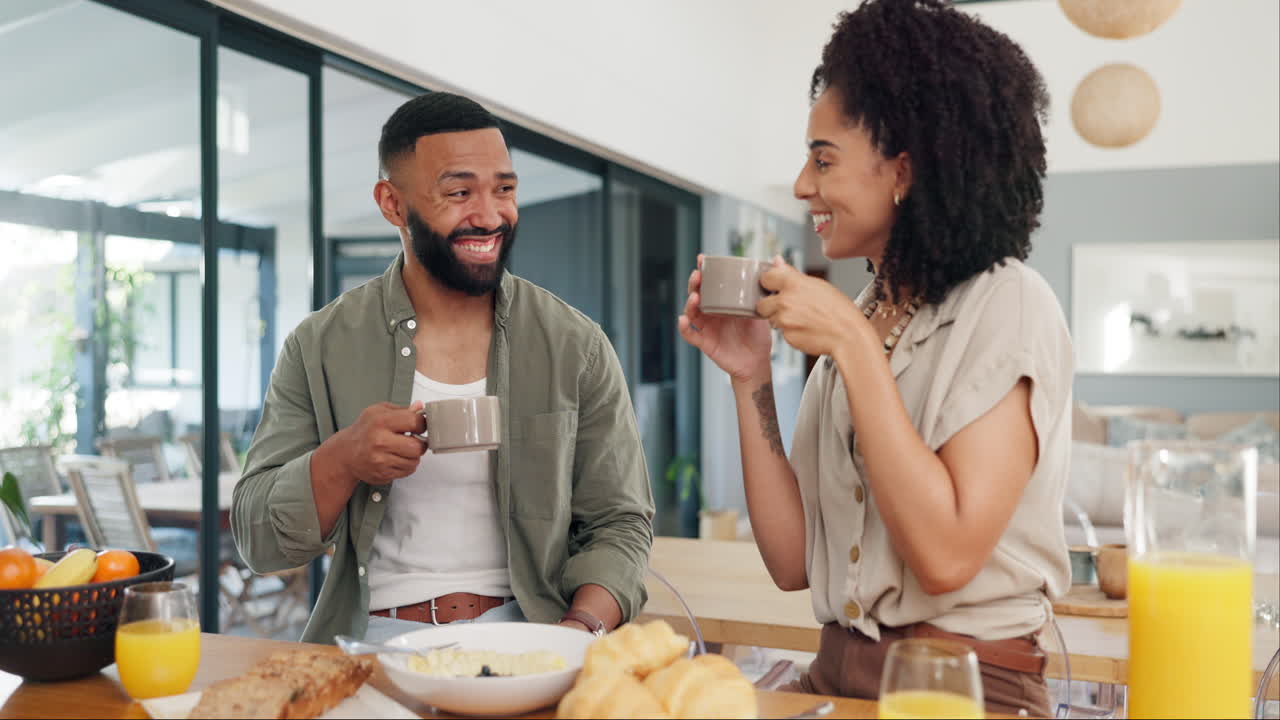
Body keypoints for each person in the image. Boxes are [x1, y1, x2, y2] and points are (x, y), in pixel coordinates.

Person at [678, 0, 1070, 715]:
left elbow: (947, 556)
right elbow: (793, 563)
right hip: (835, 674)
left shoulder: (1009, 303)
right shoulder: (859, 323)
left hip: (965, 690)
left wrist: (854, 349)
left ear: (903, 170)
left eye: (822, 159)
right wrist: (751, 376)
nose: (802, 186)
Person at [232, 91, 654, 645]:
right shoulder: (318, 346)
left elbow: (620, 524)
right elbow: (256, 538)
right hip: (374, 643)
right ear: (392, 204)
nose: (489, 214)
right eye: (459, 192)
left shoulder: (578, 346)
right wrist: (345, 457)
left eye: (504, 189)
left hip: (533, 638)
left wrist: (575, 634)